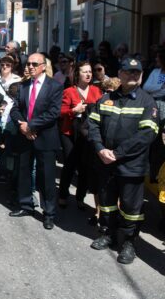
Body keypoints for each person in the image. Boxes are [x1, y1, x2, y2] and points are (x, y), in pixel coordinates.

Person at [87, 58, 159, 264]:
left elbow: (147, 134)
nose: (133, 75)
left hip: (131, 166)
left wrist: (117, 153)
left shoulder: (147, 102)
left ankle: (129, 242)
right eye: (128, 72)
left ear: (141, 76)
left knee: (131, 208)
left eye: (137, 72)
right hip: (106, 163)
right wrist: (100, 149)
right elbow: (92, 125)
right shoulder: (106, 98)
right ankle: (109, 234)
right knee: (107, 203)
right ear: (120, 74)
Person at [9, 53, 63, 230]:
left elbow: (53, 113)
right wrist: (22, 126)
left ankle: (49, 213)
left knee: (46, 176)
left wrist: (31, 126)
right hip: (25, 136)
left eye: (34, 64)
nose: (30, 67)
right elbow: (15, 109)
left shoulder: (54, 86)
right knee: (24, 171)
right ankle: (26, 205)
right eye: (29, 64)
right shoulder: (23, 86)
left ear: (43, 66)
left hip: (45, 137)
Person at [58, 61, 102, 208]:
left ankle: (80, 197)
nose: (88, 74)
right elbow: (61, 112)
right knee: (70, 164)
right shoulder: (69, 91)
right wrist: (74, 110)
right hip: (70, 132)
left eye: (90, 71)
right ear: (78, 74)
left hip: (87, 132)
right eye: (85, 71)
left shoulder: (96, 90)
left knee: (85, 166)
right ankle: (63, 195)